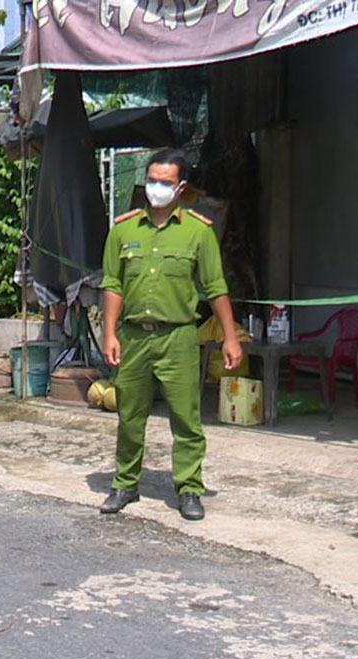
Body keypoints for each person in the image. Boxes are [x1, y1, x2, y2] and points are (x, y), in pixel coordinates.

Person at [98, 149, 242, 522]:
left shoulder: (198, 232)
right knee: (130, 414)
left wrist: (230, 337)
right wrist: (108, 332)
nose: (155, 188)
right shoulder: (123, 230)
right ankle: (126, 482)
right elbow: (112, 284)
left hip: (178, 338)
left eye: (165, 182)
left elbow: (215, 287)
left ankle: (189, 488)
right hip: (133, 337)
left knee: (186, 418)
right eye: (152, 179)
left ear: (180, 188)